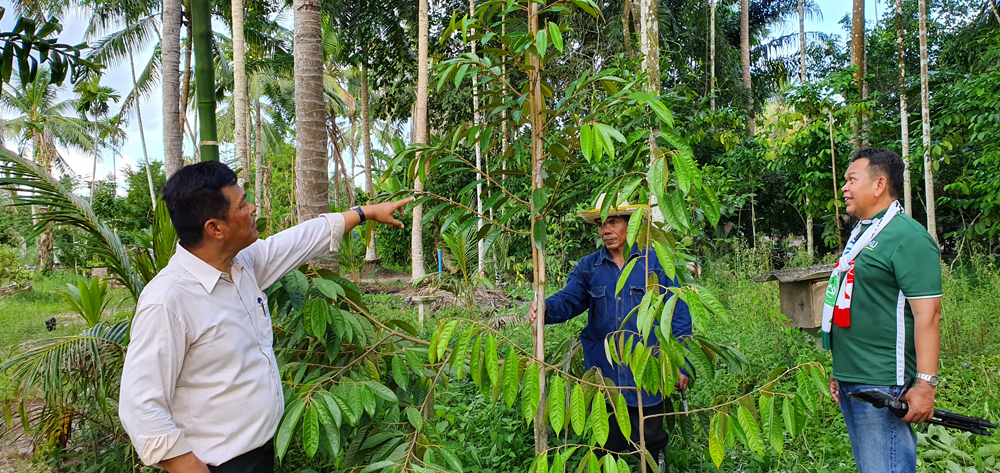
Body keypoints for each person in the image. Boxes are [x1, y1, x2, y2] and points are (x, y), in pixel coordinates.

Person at [118, 161, 413, 473]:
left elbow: (299, 240)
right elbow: (141, 408)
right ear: (215, 228)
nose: (253, 208)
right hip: (217, 465)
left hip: (259, 455)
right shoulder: (168, 302)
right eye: (243, 204)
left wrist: (365, 213)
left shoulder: (241, 265)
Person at [528, 194, 692, 455]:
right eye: (601, 224)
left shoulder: (655, 263)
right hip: (604, 379)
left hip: (646, 375)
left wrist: (683, 363)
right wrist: (545, 307)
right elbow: (569, 299)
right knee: (607, 448)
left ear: (631, 223)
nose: (606, 230)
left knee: (651, 446)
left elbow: (679, 315)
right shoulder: (588, 267)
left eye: (613, 222)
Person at [824, 148, 942, 473]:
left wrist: (925, 385)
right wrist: (841, 367)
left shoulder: (907, 237)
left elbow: (928, 315)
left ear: (878, 185)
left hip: (883, 383)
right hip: (854, 378)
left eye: (851, 180)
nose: (844, 188)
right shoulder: (862, 232)